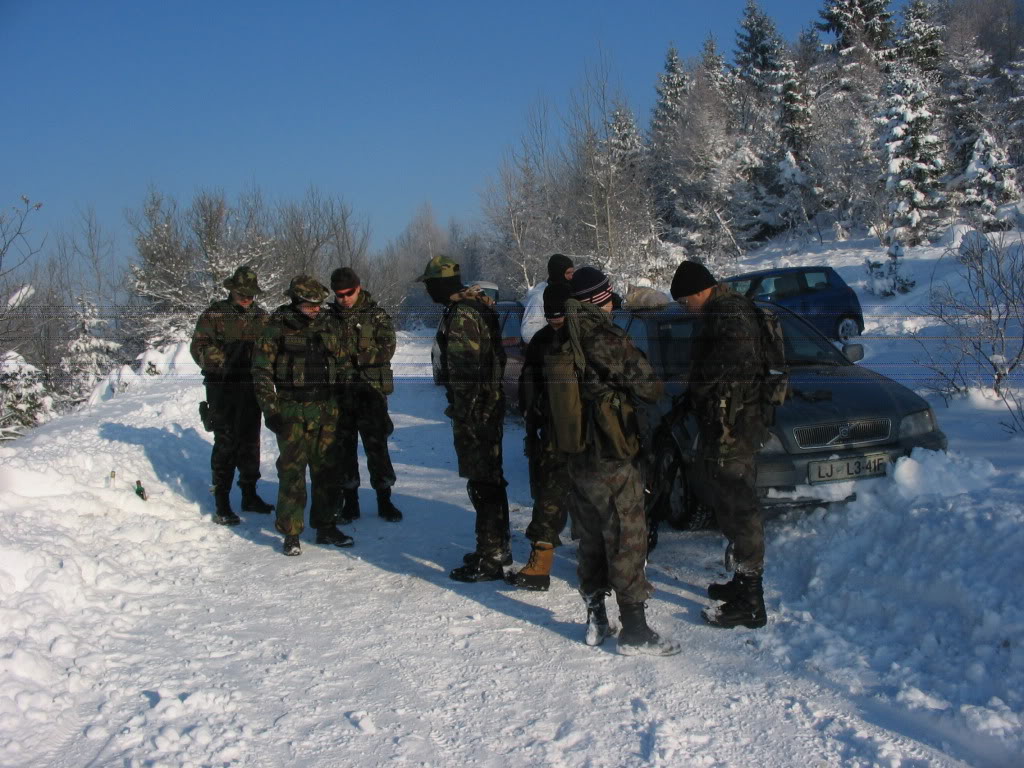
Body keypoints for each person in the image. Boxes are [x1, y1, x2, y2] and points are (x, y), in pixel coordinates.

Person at [558, 266, 679, 655]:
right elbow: (649, 387)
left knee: (591, 536)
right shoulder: (603, 337)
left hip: (577, 455)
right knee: (627, 536)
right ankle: (635, 631)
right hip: (610, 455)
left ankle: (596, 620)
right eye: (609, 295)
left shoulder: (564, 335)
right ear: (600, 298)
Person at [670, 260, 770, 629]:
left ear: (700, 290)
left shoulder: (730, 313)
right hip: (726, 425)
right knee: (728, 503)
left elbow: (737, 365)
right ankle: (742, 584)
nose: (685, 309)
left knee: (741, 507)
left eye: (684, 302)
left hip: (736, 428)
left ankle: (752, 603)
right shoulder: (720, 311)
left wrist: (702, 386)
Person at [417, 255, 511, 582]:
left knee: (484, 483)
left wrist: (466, 412)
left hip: (477, 411)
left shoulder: (462, 314)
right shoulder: (477, 306)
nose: (427, 290)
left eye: (429, 284)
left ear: (439, 285)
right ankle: (497, 548)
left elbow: (466, 373)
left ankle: (491, 557)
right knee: (489, 480)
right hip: (486, 406)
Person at [251, 275, 354, 556]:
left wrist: (345, 398)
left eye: (319, 305)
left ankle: (326, 525)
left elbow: (344, 362)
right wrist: (270, 410)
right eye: (310, 305)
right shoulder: (276, 327)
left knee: (328, 470)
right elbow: (261, 372)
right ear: (296, 302)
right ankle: (291, 532)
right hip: (291, 409)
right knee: (292, 471)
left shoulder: (330, 324)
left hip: (326, 409)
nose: (316, 309)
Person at [190, 264, 274, 526]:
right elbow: (198, 346)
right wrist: (218, 357)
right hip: (223, 388)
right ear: (232, 291)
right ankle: (222, 501)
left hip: (250, 388)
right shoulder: (215, 315)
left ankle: (249, 494)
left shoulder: (261, 317)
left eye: (251, 294)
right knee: (226, 443)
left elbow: (273, 348)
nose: (247, 299)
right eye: (242, 294)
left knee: (250, 442)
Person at [509, 283, 573, 591]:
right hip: (550, 433)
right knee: (548, 498)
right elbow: (528, 385)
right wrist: (530, 419)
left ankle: (600, 565)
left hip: (589, 435)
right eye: (551, 315)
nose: (556, 320)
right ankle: (541, 564)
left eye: (560, 315)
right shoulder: (541, 341)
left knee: (596, 503)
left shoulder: (585, 339)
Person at [325, 267, 402, 523]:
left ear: (358, 288)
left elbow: (387, 347)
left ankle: (384, 499)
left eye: (348, 293)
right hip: (340, 394)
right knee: (344, 449)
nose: (344, 298)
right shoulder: (328, 319)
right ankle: (351, 502)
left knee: (377, 447)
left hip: (370, 393)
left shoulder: (376, 316)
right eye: (339, 294)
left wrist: (355, 358)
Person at [519, 253, 575, 344]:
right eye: (568, 273)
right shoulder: (539, 296)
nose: (571, 277)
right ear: (558, 273)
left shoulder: (572, 292)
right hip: (550, 354)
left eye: (573, 273)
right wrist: (554, 341)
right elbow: (528, 332)